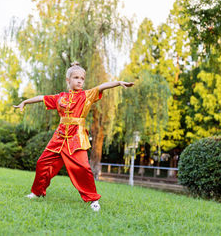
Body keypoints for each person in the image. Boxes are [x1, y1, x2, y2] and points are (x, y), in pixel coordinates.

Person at [13, 62, 134, 211]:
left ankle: (93, 200)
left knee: (83, 168)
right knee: (42, 163)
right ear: (68, 80)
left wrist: (118, 83)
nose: (79, 81)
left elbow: (102, 86)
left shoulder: (86, 95)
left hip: (76, 138)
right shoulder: (60, 97)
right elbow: (42, 97)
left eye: (82, 78)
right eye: (76, 77)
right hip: (59, 137)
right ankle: (37, 192)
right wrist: (25, 101)